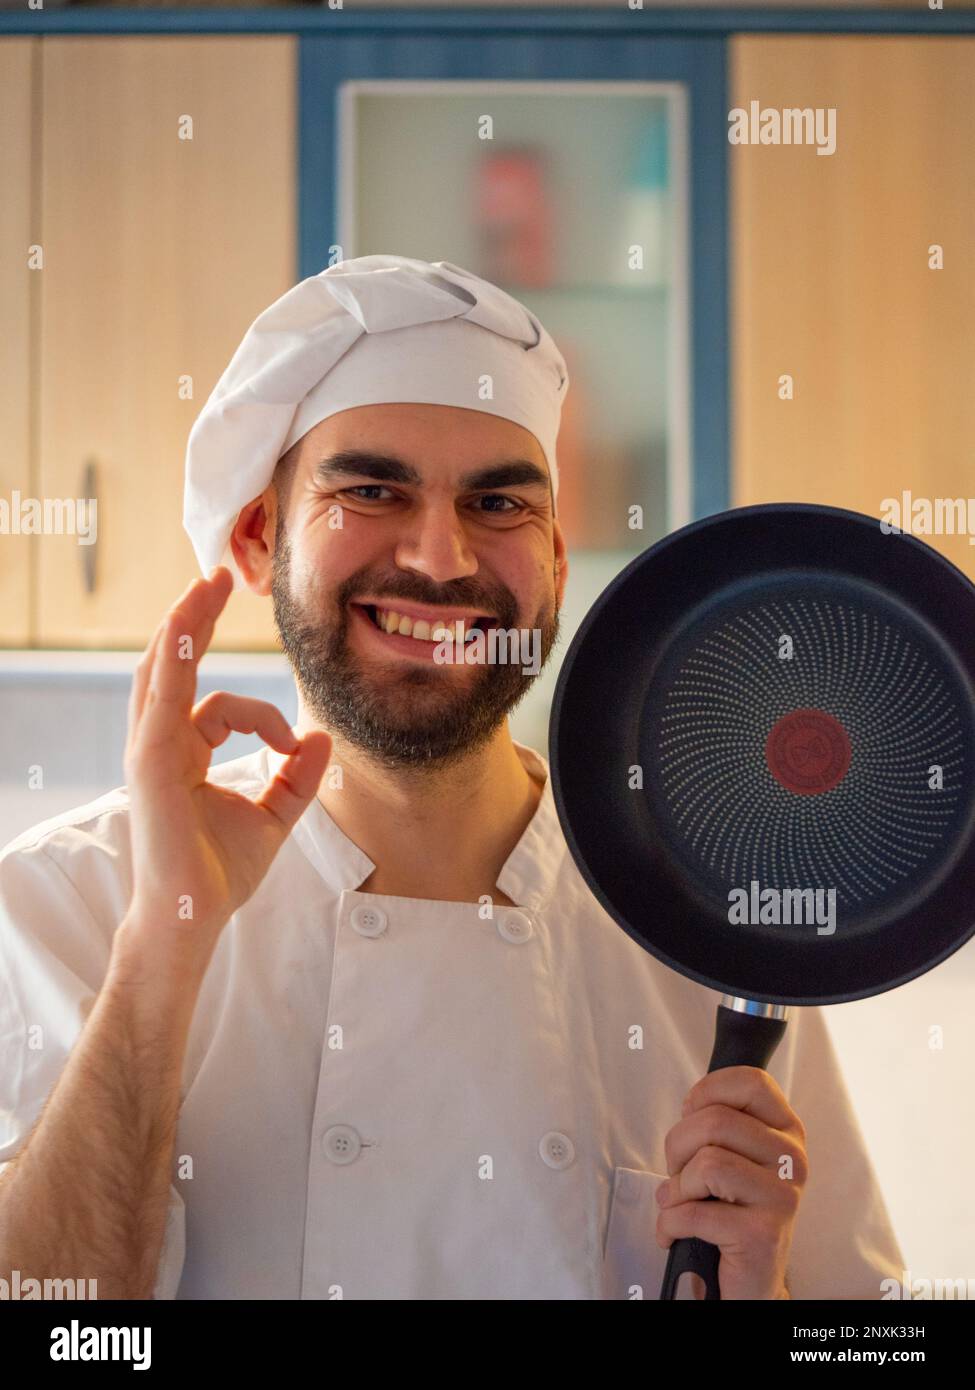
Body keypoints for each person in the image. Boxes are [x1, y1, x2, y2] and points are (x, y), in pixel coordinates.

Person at [0, 256, 904, 1300]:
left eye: (498, 503)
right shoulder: (67, 908)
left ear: (557, 563)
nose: (439, 558)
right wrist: (164, 939)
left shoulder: (709, 931)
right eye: (372, 489)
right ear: (259, 538)